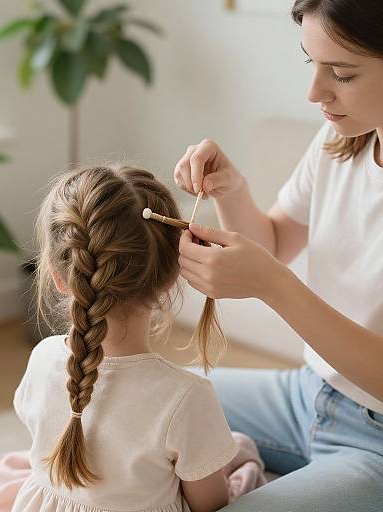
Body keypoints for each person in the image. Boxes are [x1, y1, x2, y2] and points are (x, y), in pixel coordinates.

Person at [0, 165, 268, 512]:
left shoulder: (43, 357)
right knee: (242, 453)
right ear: (171, 276)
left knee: (7, 469)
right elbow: (211, 506)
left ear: (59, 278)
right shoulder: (187, 399)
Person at [176, 1, 383, 510]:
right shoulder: (342, 140)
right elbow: (272, 245)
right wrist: (231, 189)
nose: (314, 92)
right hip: (304, 394)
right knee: (130, 401)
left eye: (342, 73)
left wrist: (272, 286)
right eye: (311, 63)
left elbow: (271, 271)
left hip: (375, 443)